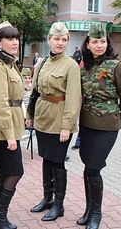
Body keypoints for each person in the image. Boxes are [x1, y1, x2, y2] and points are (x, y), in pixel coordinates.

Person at [76, 24, 121, 229]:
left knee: (93, 168)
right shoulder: (85, 67)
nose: (99, 45)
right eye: (94, 41)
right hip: (86, 125)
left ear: (107, 43)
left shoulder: (116, 66)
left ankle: (96, 214)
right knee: (87, 167)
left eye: (102, 41)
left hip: (107, 128)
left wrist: (117, 121)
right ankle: (88, 210)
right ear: (88, 44)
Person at [25, 21, 81, 221]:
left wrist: (67, 125)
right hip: (42, 117)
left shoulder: (71, 65)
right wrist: (29, 115)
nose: (60, 43)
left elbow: (74, 99)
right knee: (46, 159)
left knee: (57, 163)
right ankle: (47, 198)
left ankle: (59, 205)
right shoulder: (41, 63)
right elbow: (34, 91)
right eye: (56, 39)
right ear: (49, 40)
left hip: (60, 119)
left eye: (64, 39)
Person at [0, 21, 26, 229]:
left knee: (4, 172)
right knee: (14, 172)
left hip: (13, 125)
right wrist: (9, 134)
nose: (14, 42)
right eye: (9, 38)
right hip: (5, 129)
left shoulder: (10, 64)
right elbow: (0, 103)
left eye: (16, 38)